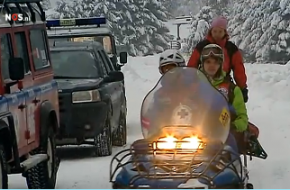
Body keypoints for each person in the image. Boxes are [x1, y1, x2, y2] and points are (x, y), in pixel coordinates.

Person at [199, 43, 250, 152]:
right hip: (196, 133)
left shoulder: (232, 89)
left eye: (215, 62)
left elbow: (243, 118)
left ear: (220, 64)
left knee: (227, 152)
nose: (211, 65)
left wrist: (232, 126)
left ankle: (231, 165)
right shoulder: (195, 86)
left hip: (223, 136)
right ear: (202, 63)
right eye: (208, 62)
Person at [187, 16, 249, 103]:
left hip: (224, 81)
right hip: (204, 81)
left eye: (220, 31)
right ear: (211, 31)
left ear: (225, 32)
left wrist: (242, 87)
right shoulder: (202, 46)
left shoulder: (231, 48)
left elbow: (238, 69)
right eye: (215, 31)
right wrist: (189, 83)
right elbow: (192, 65)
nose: (217, 34)